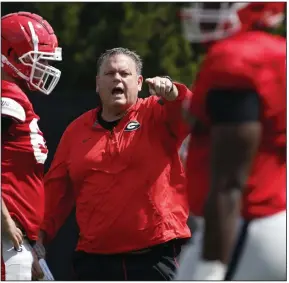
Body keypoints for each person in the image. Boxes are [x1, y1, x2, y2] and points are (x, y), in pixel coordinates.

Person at [36, 47, 193, 280]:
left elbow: (190, 112)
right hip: (95, 261)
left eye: (124, 73)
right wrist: (37, 238)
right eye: (109, 74)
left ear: (139, 82)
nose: (117, 78)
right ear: (98, 83)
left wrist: (172, 90)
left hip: (155, 256)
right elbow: (55, 191)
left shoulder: (155, 113)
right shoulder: (76, 130)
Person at [175, 2, 286, 280]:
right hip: (264, 221)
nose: (202, 7)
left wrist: (211, 266)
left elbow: (229, 182)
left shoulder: (237, 58)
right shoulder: (275, 51)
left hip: (245, 226)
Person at [1, 11, 62, 280]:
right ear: (11, 55)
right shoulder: (7, 92)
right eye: (37, 59)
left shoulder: (16, 96)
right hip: (7, 235)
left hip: (19, 237)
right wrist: (4, 220)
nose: (43, 66)